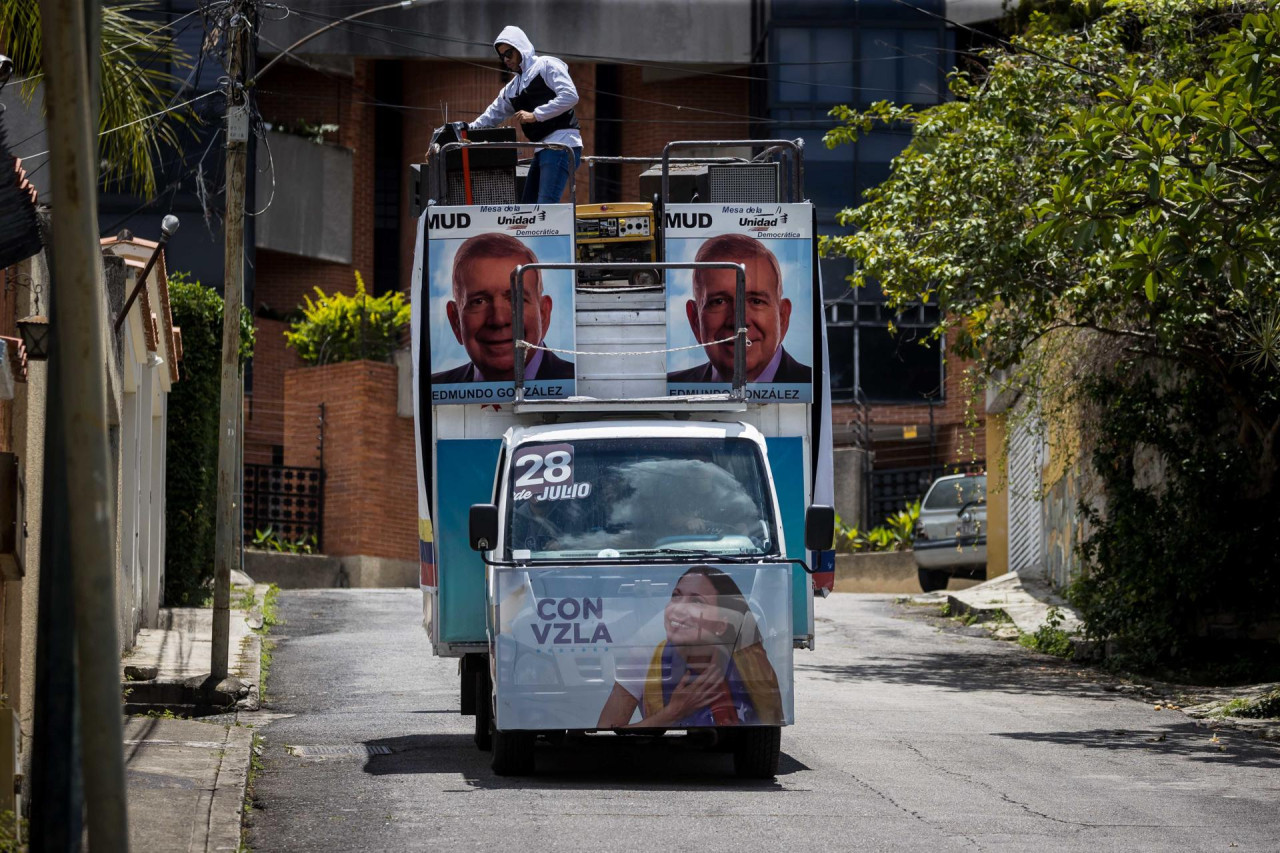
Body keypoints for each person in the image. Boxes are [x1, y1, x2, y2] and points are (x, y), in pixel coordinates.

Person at [596, 566, 783, 729]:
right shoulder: (644, 656)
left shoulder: (750, 661)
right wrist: (673, 712)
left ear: (722, 625)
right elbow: (605, 730)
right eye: (676, 597)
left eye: (697, 602)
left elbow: (766, 732)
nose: (677, 610)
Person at [667, 233, 812, 384]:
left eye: (756, 301)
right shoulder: (670, 387)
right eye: (719, 301)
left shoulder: (814, 385)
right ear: (695, 320)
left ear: (782, 317)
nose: (739, 321)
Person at [431, 232, 574, 383]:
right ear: (455, 321)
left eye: (516, 299)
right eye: (479, 301)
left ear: (543, 314)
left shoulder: (582, 387)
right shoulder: (435, 388)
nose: (499, 319)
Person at [467, 26, 582, 205]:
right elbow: (492, 114)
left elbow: (570, 96)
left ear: (521, 48)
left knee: (545, 205)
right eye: (502, 56)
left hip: (562, 143)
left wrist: (536, 115)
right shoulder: (513, 88)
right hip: (542, 147)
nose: (505, 59)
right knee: (528, 207)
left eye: (509, 53)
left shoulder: (546, 65)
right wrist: (466, 130)